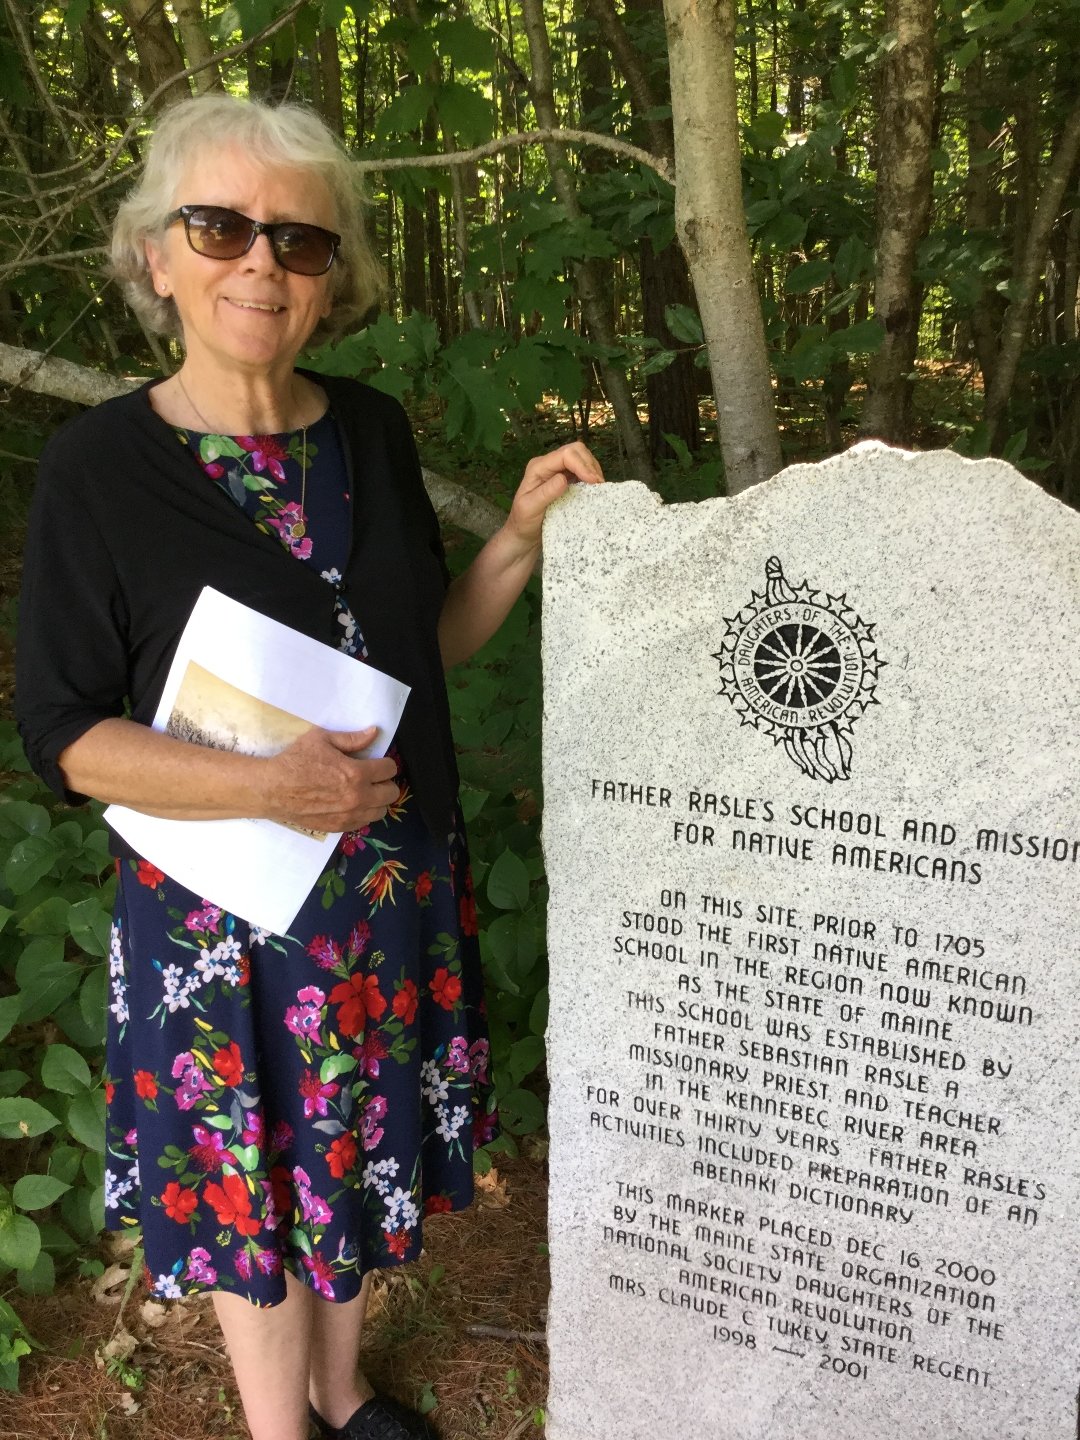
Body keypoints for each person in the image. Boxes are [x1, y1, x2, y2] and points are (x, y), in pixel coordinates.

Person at [15, 93, 602, 1440]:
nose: (260, 263)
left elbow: (405, 658)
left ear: (334, 276)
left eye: (300, 239)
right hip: (221, 921)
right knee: (254, 1183)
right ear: (157, 256)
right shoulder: (98, 469)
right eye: (219, 227)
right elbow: (63, 733)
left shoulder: (372, 433)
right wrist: (270, 789)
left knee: (351, 1161)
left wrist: (513, 540)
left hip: (384, 896)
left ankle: (346, 1395)